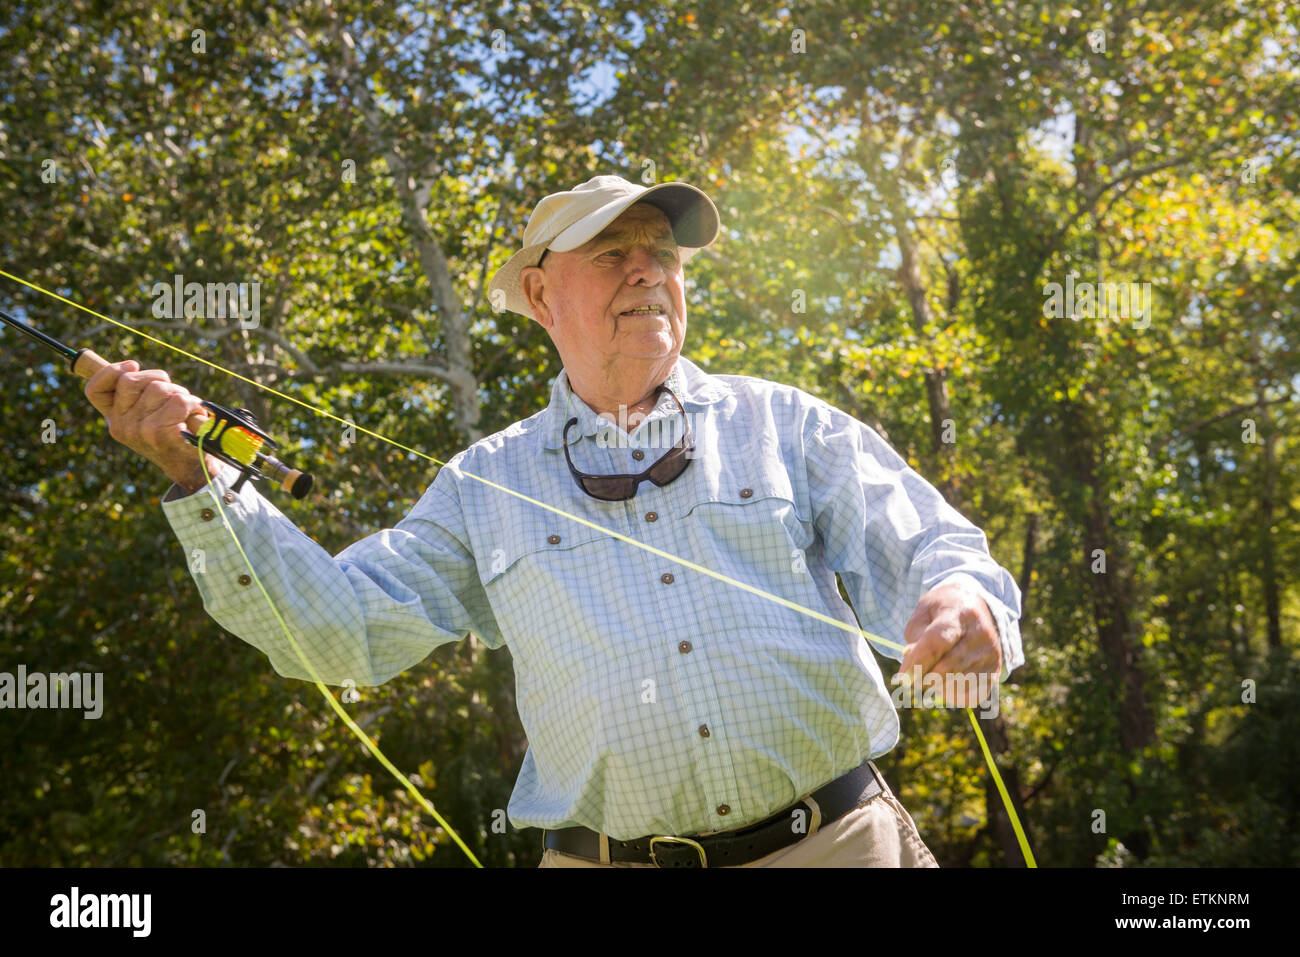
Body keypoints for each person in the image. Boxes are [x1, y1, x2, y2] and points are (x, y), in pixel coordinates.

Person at [83, 173, 1024, 867]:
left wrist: (963, 598)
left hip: (835, 847)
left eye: (662, 252)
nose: (648, 272)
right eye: (614, 254)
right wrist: (201, 477)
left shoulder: (786, 421)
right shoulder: (481, 482)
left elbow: (936, 546)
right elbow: (346, 631)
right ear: (540, 294)